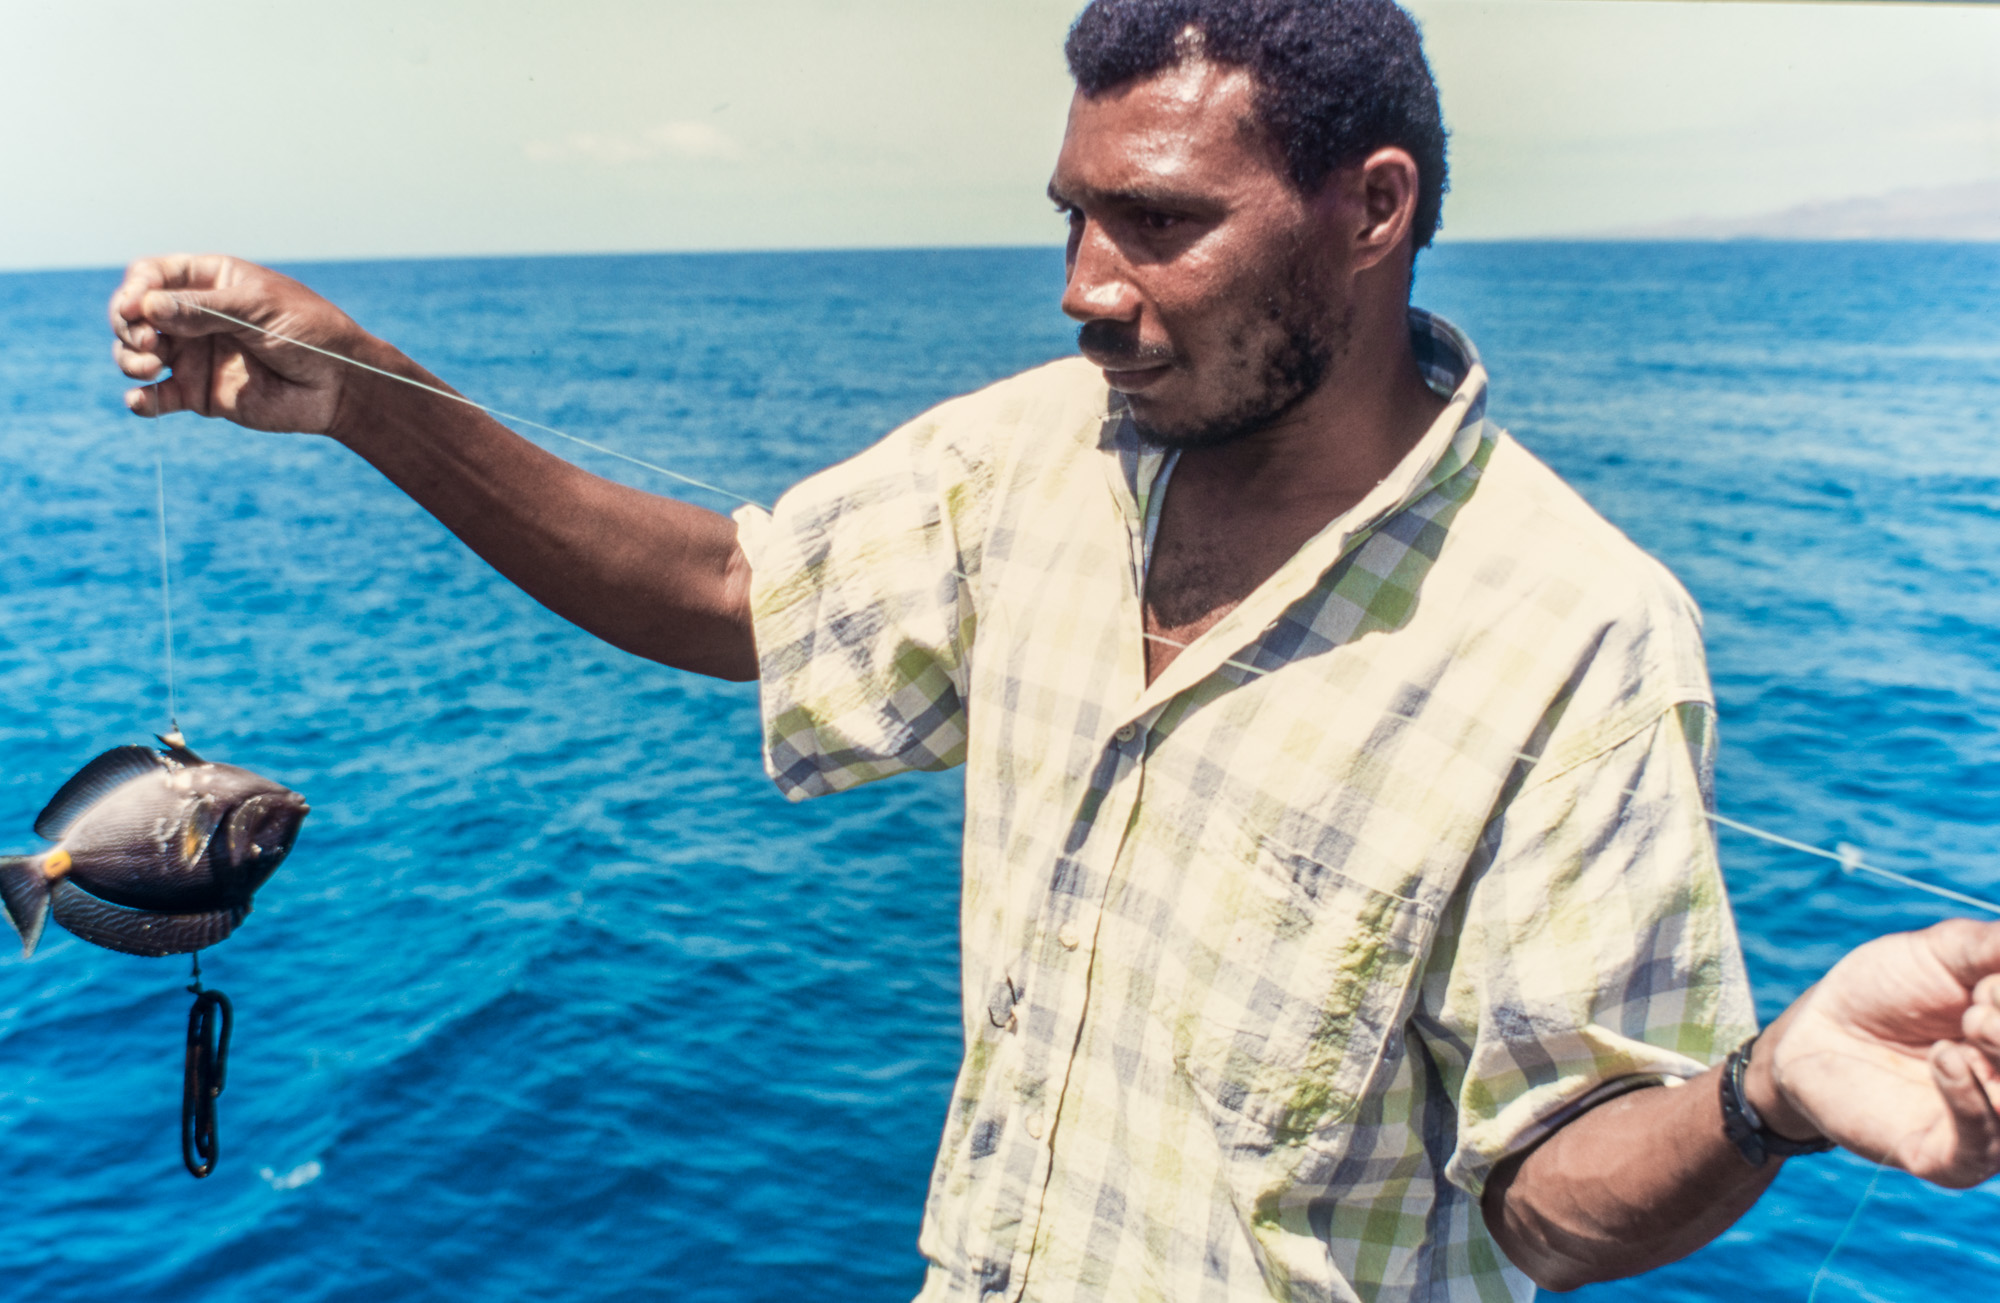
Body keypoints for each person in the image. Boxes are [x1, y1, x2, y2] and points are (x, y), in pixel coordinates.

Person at [107, 1, 2000, 1298]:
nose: (1088, 286)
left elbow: (1551, 1192)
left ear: (1376, 214)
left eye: (1160, 223)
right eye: (1076, 216)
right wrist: (361, 395)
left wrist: (1767, 1091)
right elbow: (737, 601)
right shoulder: (1039, 454)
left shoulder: (1576, 638)